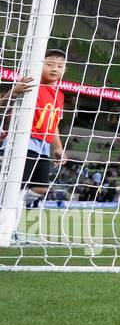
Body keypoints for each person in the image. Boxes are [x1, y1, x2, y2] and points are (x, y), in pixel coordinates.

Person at [0, 49, 69, 216]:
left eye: (59, 66)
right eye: (50, 64)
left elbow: (54, 123)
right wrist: (13, 92)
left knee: (41, 188)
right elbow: (2, 105)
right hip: (23, 142)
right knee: (14, 186)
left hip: (44, 147)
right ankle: (7, 221)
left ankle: (13, 209)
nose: (54, 69)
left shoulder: (59, 95)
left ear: (64, 70)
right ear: (40, 64)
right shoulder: (32, 84)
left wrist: (58, 148)